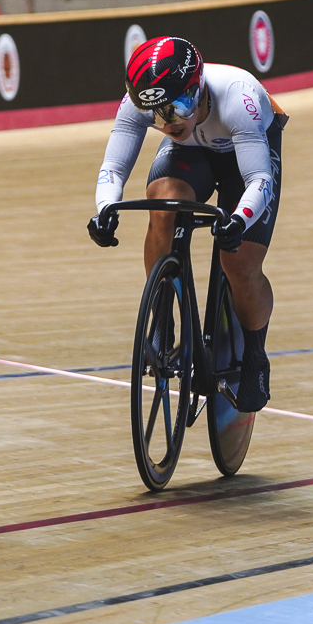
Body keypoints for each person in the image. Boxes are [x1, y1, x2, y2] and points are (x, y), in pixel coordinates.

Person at [88, 36, 284, 412]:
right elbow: (113, 168)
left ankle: (255, 355)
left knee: (240, 261)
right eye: (156, 115)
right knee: (162, 204)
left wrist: (239, 221)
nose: (168, 123)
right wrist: (105, 209)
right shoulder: (142, 102)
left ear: (198, 88)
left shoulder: (238, 98)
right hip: (193, 153)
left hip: (247, 150)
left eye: (178, 107)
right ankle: (162, 315)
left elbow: (259, 179)